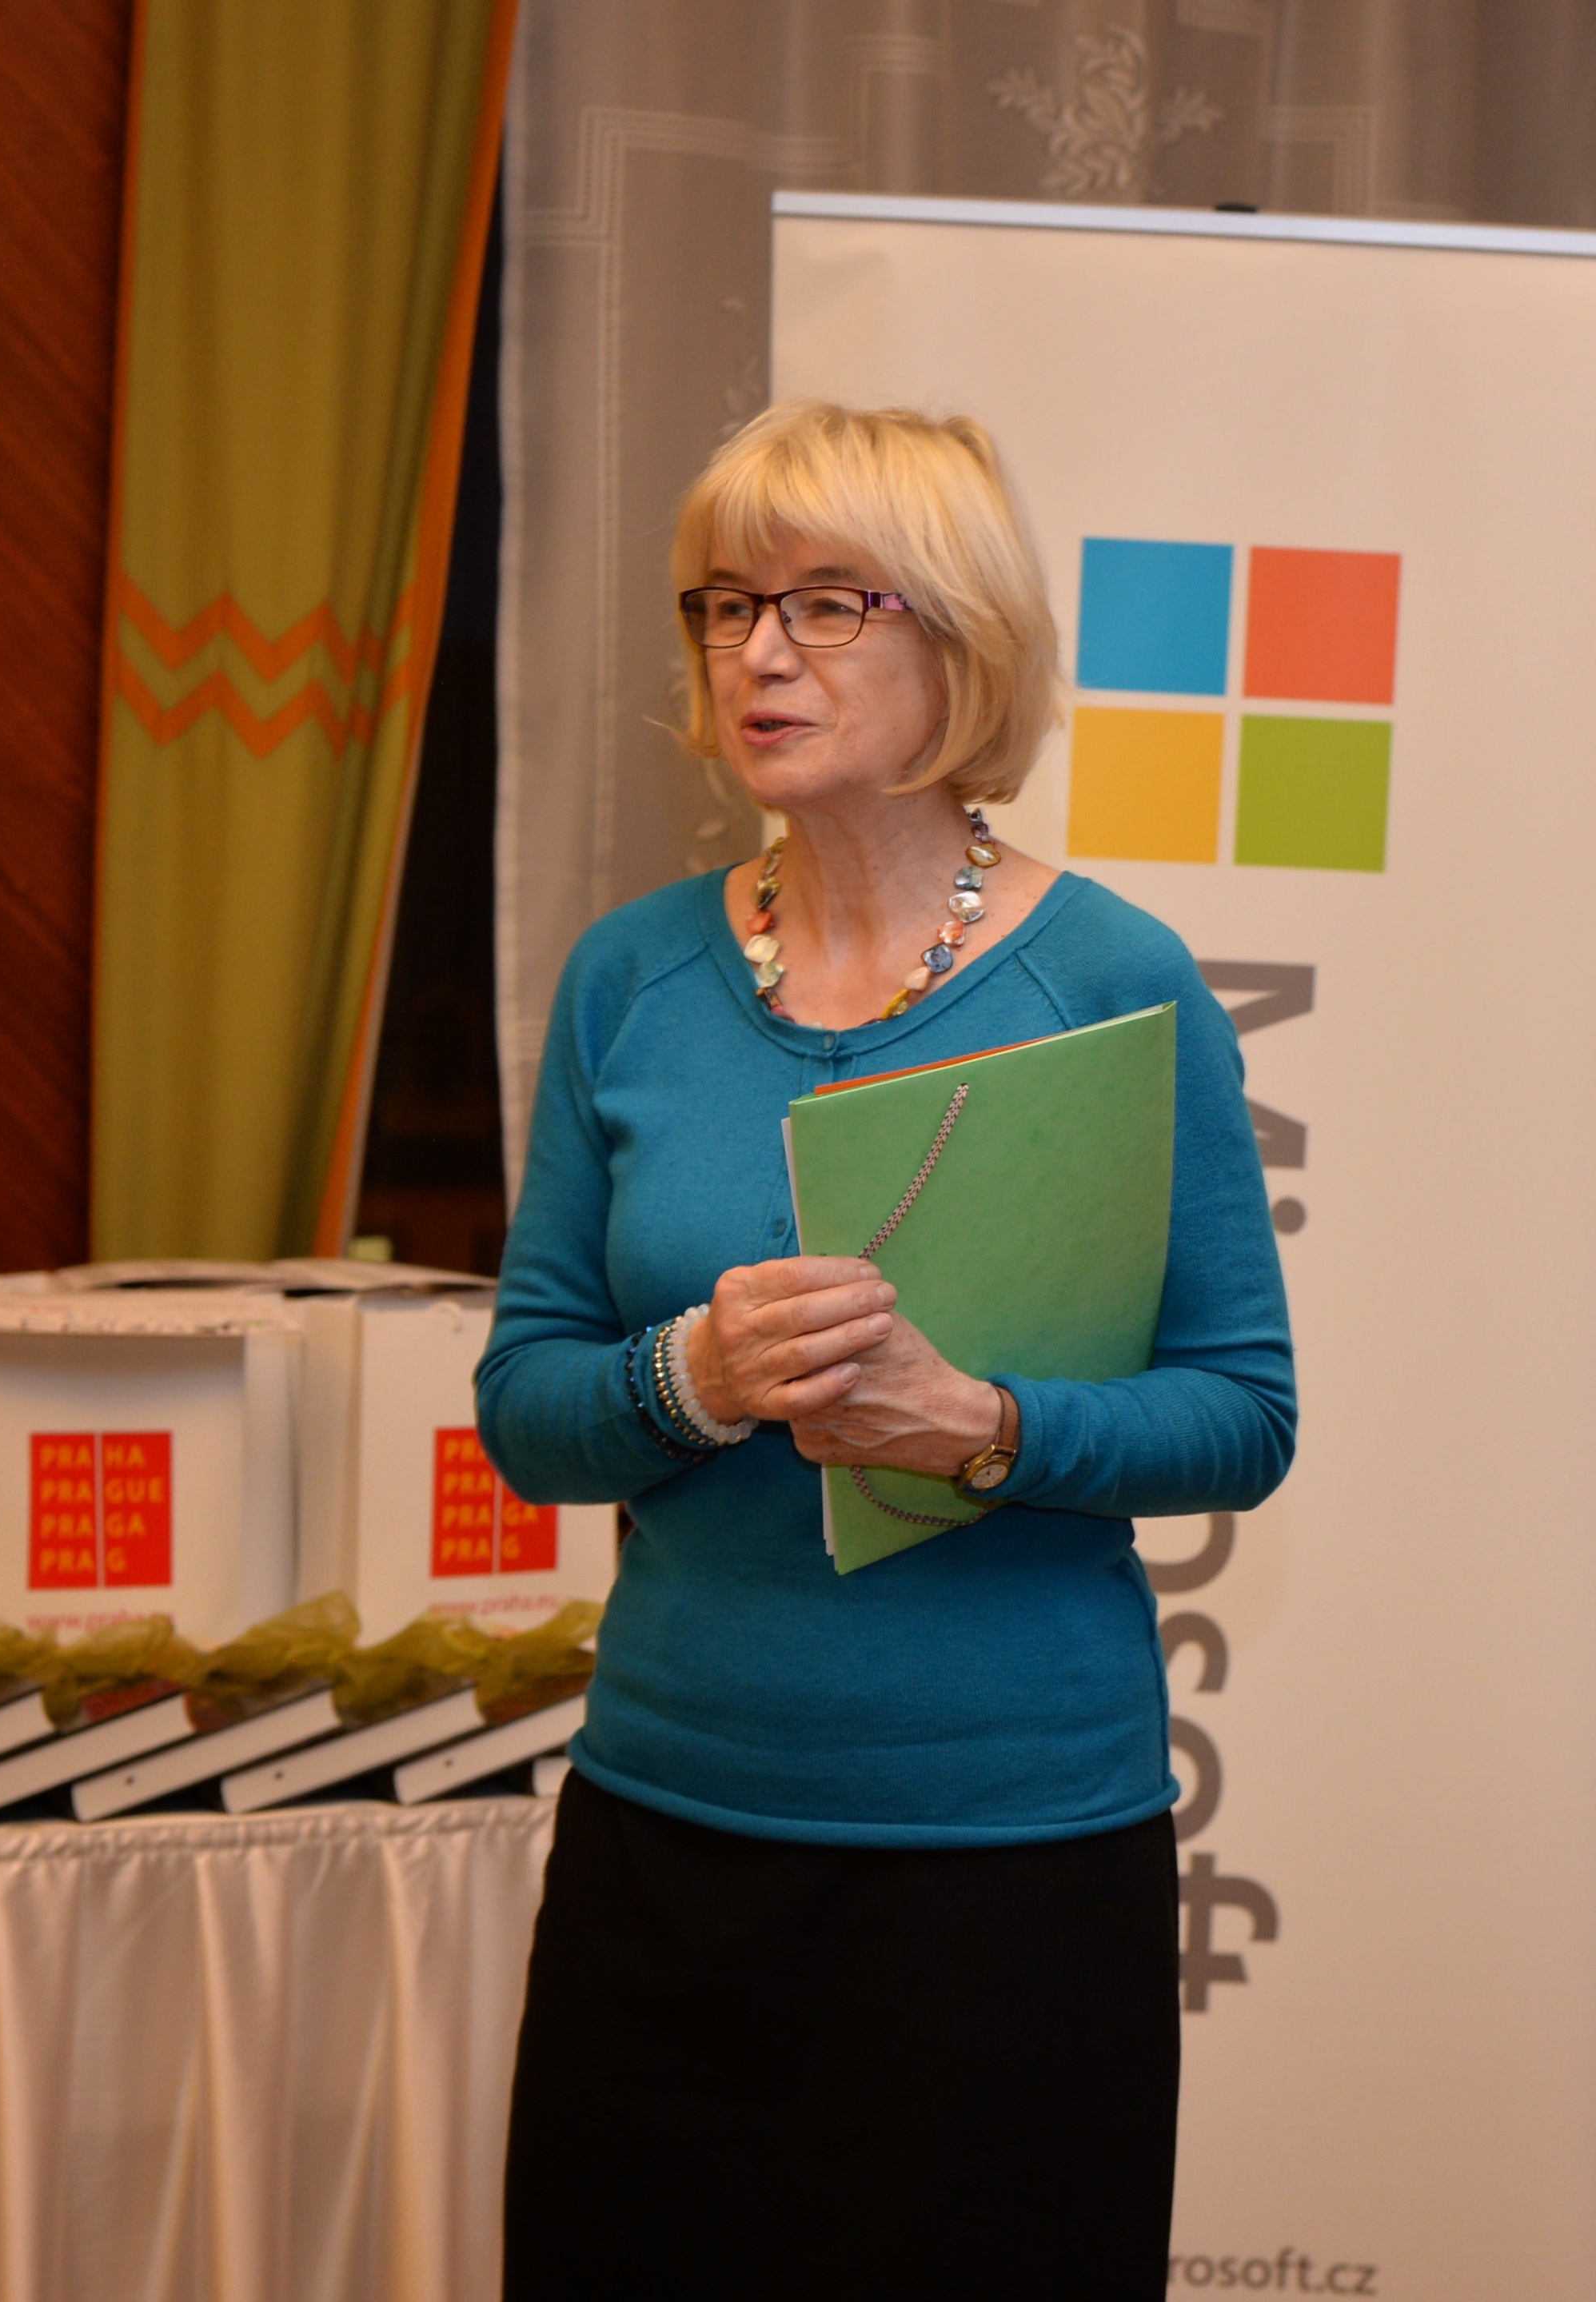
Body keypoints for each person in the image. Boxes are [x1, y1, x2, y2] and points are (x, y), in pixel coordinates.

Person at [478, 399, 1296, 2297]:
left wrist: (978, 1425)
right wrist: (688, 1381)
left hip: (1007, 1869)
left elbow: (1240, 1415)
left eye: (828, 602)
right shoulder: (628, 979)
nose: (758, 652)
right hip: (665, 1840)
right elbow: (528, 1404)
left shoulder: (1114, 983)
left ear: (963, 636)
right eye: (725, 603)